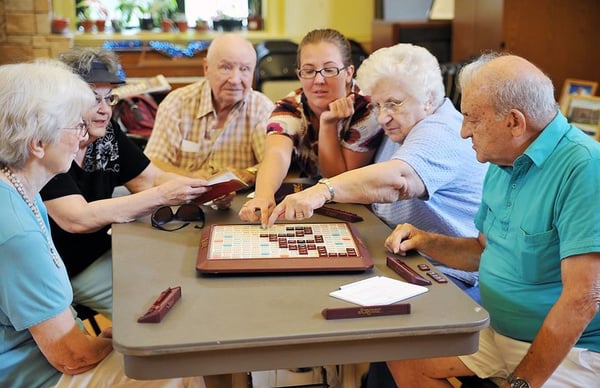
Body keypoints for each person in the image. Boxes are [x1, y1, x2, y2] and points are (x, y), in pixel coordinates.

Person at [368, 53, 600, 387]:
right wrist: (428, 240)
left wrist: (523, 382)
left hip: (570, 352)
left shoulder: (583, 168)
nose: (463, 132)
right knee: (400, 349)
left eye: (473, 120)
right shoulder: (502, 159)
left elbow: (583, 299)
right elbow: (484, 250)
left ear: (515, 122)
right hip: (497, 333)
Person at [0, 59, 204, 388]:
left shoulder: (20, 189)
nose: (84, 136)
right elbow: (72, 356)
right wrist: (113, 340)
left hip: (49, 351)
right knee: (176, 369)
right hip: (36, 374)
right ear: (37, 144)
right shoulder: (16, 231)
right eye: (74, 125)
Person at [264, 43, 487, 301]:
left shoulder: (440, 130)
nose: (382, 118)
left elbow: (398, 181)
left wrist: (321, 192)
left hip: (451, 277)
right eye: (377, 105)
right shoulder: (406, 123)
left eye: (393, 104)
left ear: (428, 99)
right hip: (405, 257)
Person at [40, 47, 210, 320]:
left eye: (109, 99)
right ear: (65, 100)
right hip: (64, 267)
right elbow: (77, 219)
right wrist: (163, 195)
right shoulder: (49, 146)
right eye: (94, 99)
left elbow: (149, 178)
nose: (105, 110)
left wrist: (203, 189)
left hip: (110, 249)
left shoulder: (106, 135)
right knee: (153, 311)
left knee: (178, 283)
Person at [238, 28, 383, 226]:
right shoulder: (289, 106)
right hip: (313, 204)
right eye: (309, 71)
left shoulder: (367, 108)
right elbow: (277, 153)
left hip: (361, 210)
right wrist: (263, 196)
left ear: (349, 72)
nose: (318, 80)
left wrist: (328, 124)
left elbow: (339, 179)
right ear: (299, 74)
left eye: (329, 69)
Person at [144, 33, 274, 185]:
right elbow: (153, 162)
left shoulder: (261, 108)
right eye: (226, 68)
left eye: (245, 69)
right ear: (206, 68)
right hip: (182, 200)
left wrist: (245, 174)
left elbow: (274, 163)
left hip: (241, 203)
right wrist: (189, 177)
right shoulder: (177, 103)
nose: (235, 80)